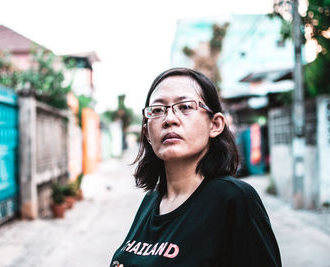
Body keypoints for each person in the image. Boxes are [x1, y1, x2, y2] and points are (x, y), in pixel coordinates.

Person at [110, 68, 281, 267]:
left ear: (215, 124)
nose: (169, 119)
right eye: (157, 110)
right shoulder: (151, 201)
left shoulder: (233, 199)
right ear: (147, 133)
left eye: (185, 107)